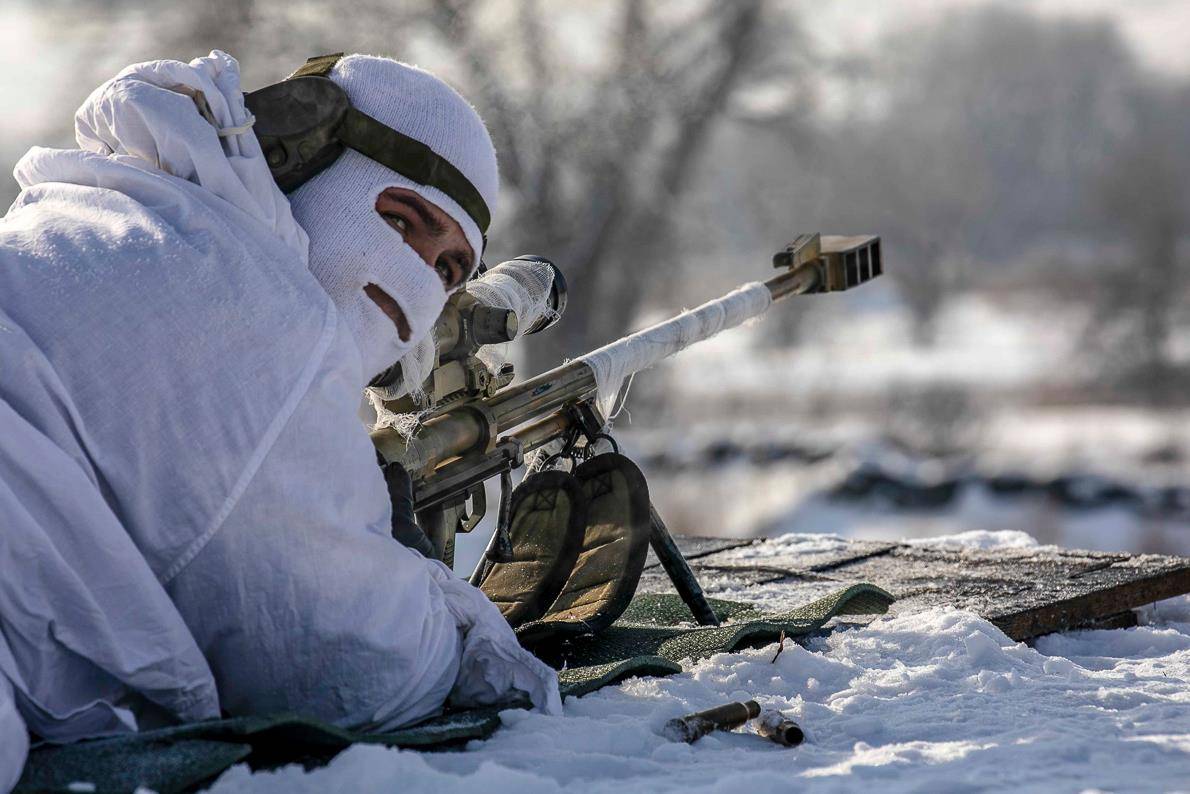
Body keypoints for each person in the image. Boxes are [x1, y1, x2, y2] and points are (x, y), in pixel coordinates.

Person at [0, 50, 560, 791]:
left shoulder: (90, 209)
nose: (415, 282)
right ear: (299, 158)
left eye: (449, 271)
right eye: (399, 219)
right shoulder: (262, 317)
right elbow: (350, 669)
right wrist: (456, 615)